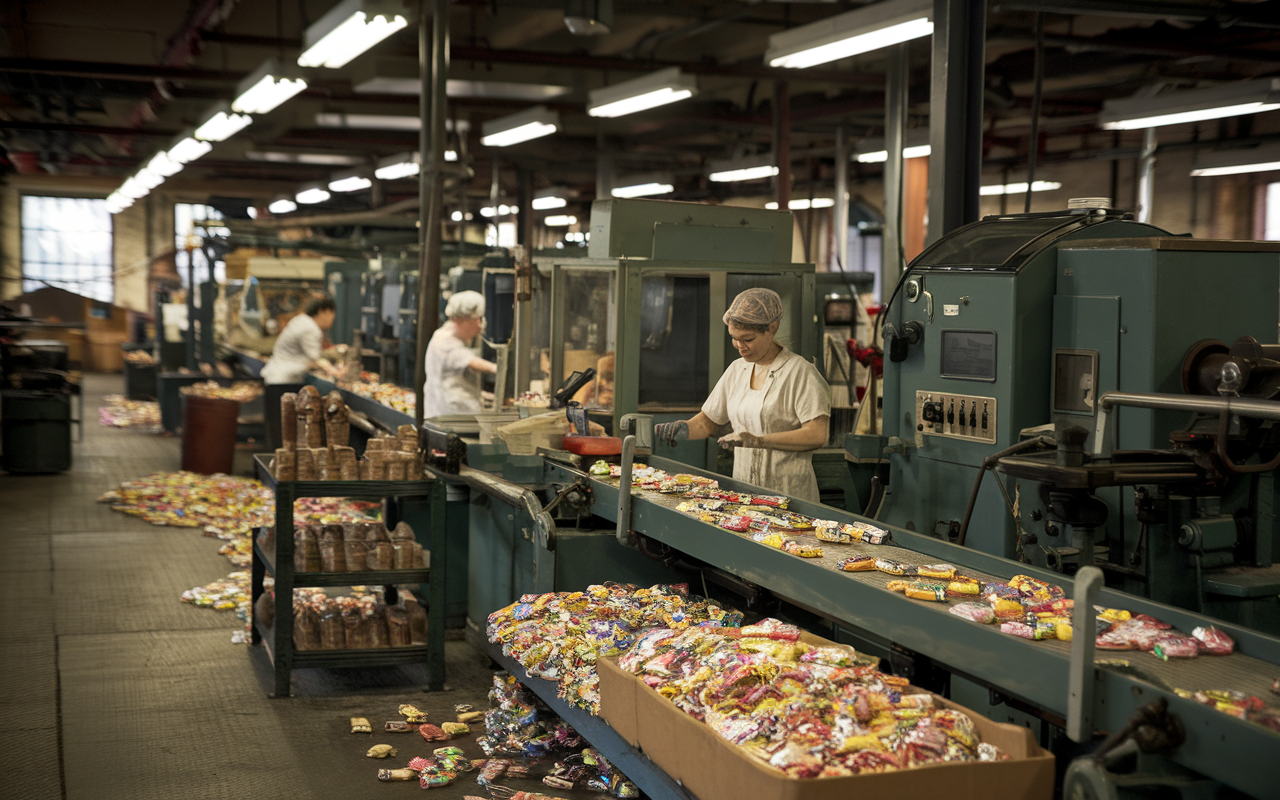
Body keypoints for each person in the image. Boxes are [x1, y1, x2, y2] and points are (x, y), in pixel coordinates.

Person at [654, 288, 831, 503]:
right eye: (734, 338)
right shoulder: (737, 370)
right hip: (745, 496)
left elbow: (816, 435)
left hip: (790, 497)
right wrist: (681, 429)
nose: (739, 346)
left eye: (747, 339)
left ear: (772, 329)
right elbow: (708, 422)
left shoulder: (800, 372)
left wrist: (758, 441)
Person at [423, 290, 498, 418]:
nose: (481, 325)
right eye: (478, 319)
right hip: (448, 415)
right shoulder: (445, 341)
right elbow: (471, 362)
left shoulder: (448, 336)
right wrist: (499, 369)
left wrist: (482, 394)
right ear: (462, 320)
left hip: (452, 411)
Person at [261, 296, 341, 384]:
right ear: (323, 312)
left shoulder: (300, 320)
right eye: (331, 315)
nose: (332, 320)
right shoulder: (311, 328)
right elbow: (315, 359)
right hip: (285, 379)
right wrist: (334, 370)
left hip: (276, 374)